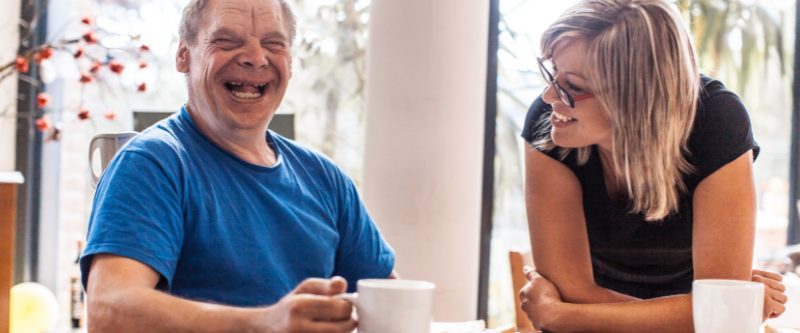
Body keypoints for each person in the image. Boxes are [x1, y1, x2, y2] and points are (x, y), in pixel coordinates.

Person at [80, 0, 396, 332]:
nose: (255, 58)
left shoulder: (326, 179)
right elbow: (108, 312)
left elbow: (389, 299)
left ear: (289, 60)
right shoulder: (152, 164)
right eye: (227, 41)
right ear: (183, 55)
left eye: (274, 44)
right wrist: (266, 323)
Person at [518, 0, 788, 331]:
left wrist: (557, 315)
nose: (549, 96)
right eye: (552, 71)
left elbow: (721, 311)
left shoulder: (716, 120)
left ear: (635, 97)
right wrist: (699, 315)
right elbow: (720, 314)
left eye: (572, 86)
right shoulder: (551, 122)